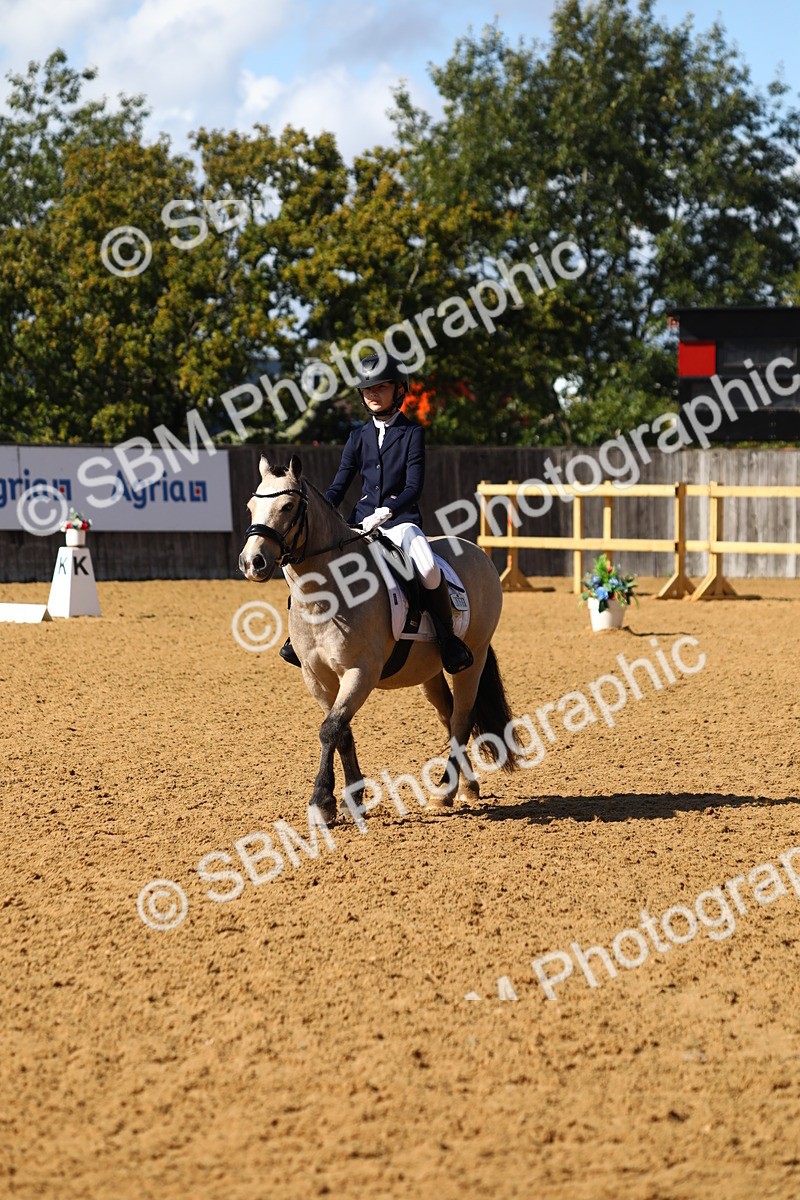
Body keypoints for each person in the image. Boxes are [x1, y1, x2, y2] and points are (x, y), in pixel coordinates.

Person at [280, 351, 473, 674]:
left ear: (399, 390)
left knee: (427, 568)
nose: (372, 394)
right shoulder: (358, 437)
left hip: (400, 523)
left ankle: (448, 640)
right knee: (307, 563)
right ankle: (296, 636)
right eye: (368, 389)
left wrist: (387, 510)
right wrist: (320, 516)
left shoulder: (412, 434)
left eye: (380, 387)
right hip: (360, 524)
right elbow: (340, 484)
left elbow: (414, 486)